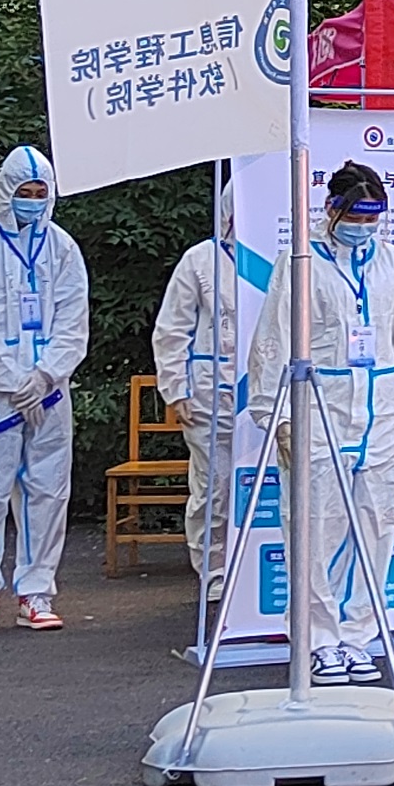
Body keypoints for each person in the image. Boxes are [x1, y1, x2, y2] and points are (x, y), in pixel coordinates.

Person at [247, 163, 394, 679]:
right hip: (320, 407)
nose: (363, 227)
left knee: (377, 526)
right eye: (355, 217)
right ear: (331, 210)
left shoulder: (392, 263)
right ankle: (318, 638)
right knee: (315, 526)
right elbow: (273, 340)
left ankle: (358, 636)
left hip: (384, 409)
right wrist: (278, 417)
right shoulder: (301, 262)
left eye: (372, 218)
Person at [0, 145, 88, 636]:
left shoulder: (63, 249)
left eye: (38, 192)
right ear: (5, 191)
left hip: (49, 392)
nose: (31, 200)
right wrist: (11, 379)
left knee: (47, 491)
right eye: (23, 192)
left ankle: (36, 590)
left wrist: (46, 375)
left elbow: (73, 319)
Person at [148, 226, 234, 595]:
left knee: (268, 486)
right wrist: (176, 388)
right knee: (215, 486)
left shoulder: (279, 252)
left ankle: (256, 572)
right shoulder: (200, 260)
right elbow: (172, 329)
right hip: (208, 392)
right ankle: (214, 572)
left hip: (264, 389)